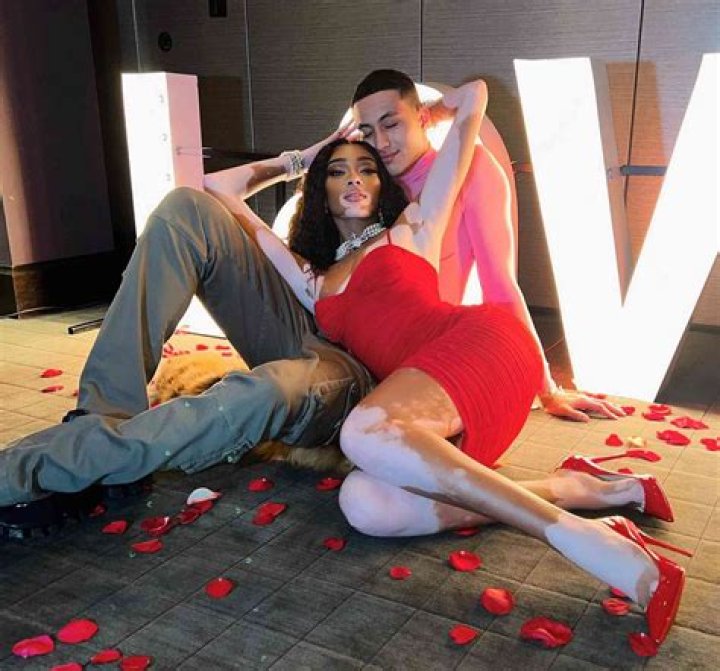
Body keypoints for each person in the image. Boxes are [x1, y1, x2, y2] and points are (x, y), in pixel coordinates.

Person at [0, 69, 631, 530]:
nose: (373, 152)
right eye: (357, 147)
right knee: (185, 207)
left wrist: (547, 388)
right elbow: (215, 188)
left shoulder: (426, 212)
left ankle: (46, 467)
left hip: (373, 376)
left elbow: (498, 274)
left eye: (389, 129)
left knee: (265, 391)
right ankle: (99, 420)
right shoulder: (317, 260)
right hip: (311, 321)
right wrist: (304, 157)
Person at [206, 79, 685, 649]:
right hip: (436, 411)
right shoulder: (311, 280)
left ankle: (587, 542)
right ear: (319, 190)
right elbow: (219, 186)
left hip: (480, 346)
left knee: (363, 431)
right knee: (365, 505)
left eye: (367, 166)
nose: (355, 176)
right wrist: (307, 156)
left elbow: (474, 98)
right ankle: (574, 488)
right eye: (339, 171)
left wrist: (426, 112)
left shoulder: (415, 225)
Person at [350, 69, 623, 422]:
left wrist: (547, 389)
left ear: (423, 118)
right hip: (360, 352)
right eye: (367, 132)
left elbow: (500, 287)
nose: (381, 143)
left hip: (423, 360)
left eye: (391, 124)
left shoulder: (473, 169)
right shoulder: (362, 184)